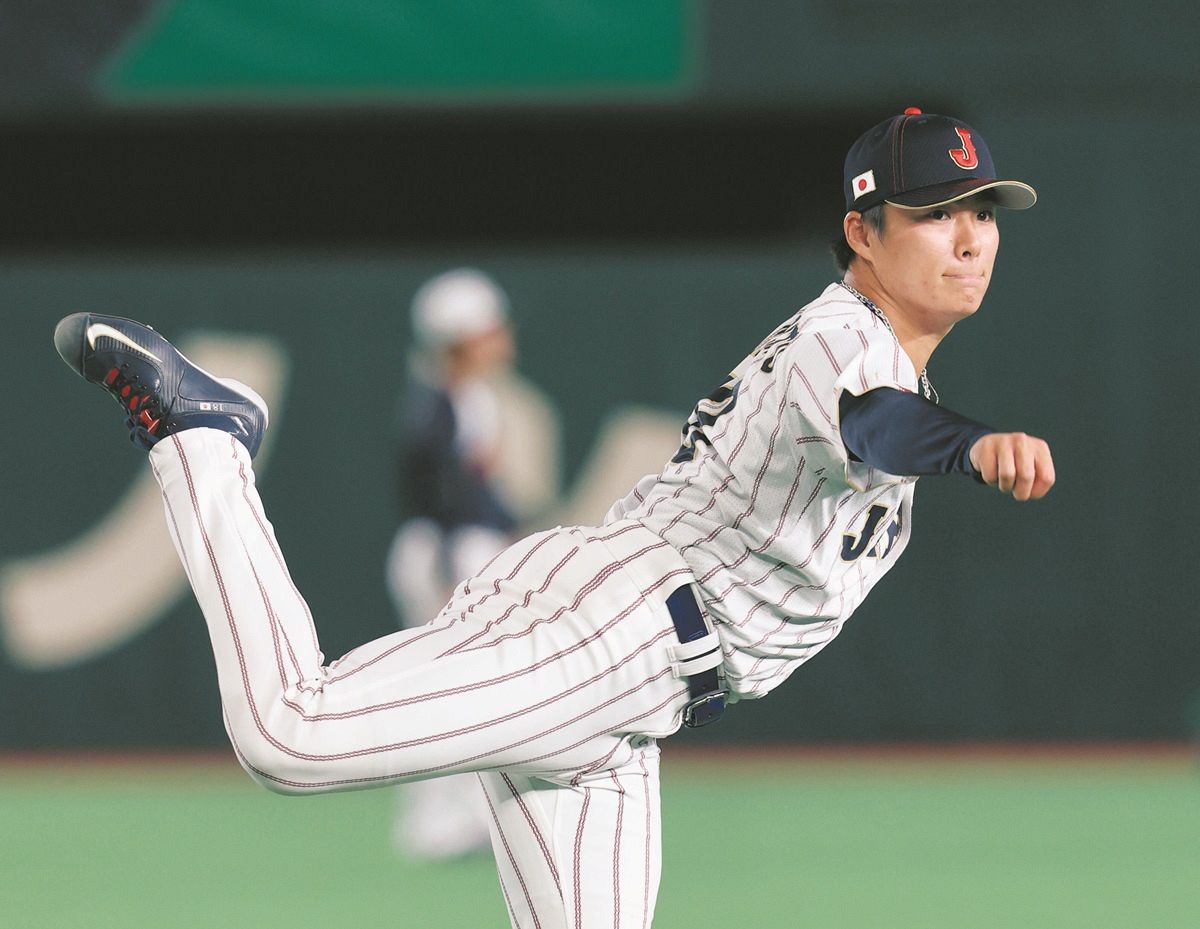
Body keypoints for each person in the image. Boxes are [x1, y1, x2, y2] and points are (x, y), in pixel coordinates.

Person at [53, 107, 1054, 928]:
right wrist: (968, 445)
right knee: (288, 728)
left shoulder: (877, 351)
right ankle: (207, 438)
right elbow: (875, 425)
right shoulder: (846, 336)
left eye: (983, 211)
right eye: (933, 213)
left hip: (631, 696)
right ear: (863, 233)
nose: (968, 236)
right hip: (616, 627)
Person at [386, 268, 557, 860]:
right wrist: (448, 558)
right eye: (490, 328)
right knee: (441, 693)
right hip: (445, 554)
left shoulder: (470, 396)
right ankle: (431, 822)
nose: (502, 337)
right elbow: (430, 493)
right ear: (462, 338)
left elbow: (475, 489)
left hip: (465, 550)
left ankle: (464, 816)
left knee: (474, 691)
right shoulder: (432, 402)